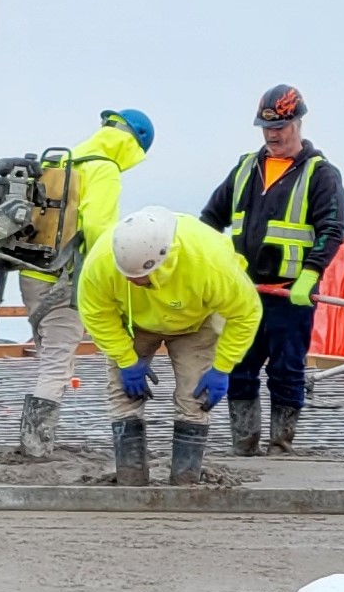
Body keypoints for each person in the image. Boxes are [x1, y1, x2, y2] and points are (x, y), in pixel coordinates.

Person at [200, 84, 344, 456]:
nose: (273, 134)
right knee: (238, 365)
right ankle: (244, 444)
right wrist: (207, 263)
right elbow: (210, 220)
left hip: (290, 293)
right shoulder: (246, 169)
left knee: (286, 369)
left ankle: (281, 444)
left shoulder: (320, 174)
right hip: (244, 292)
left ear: (298, 122)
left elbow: (331, 229)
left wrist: (310, 274)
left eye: (280, 126)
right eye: (267, 127)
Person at [77, 207, 261, 485]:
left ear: (159, 264)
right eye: (125, 274)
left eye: (136, 277)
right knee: (123, 395)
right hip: (135, 321)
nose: (128, 280)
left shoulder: (210, 263)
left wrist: (223, 367)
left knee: (194, 398)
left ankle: (185, 481)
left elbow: (245, 314)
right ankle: (131, 479)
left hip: (196, 323)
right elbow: (95, 313)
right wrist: (125, 359)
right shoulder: (103, 261)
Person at [16, 108, 154, 458]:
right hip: (65, 279)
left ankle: (34, 439)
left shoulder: (65, 160)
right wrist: (107, 276)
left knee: (50, 354)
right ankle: (35, 446)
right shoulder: (104, 168)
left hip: (31, 272)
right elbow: (96, 229)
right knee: (57, 363)